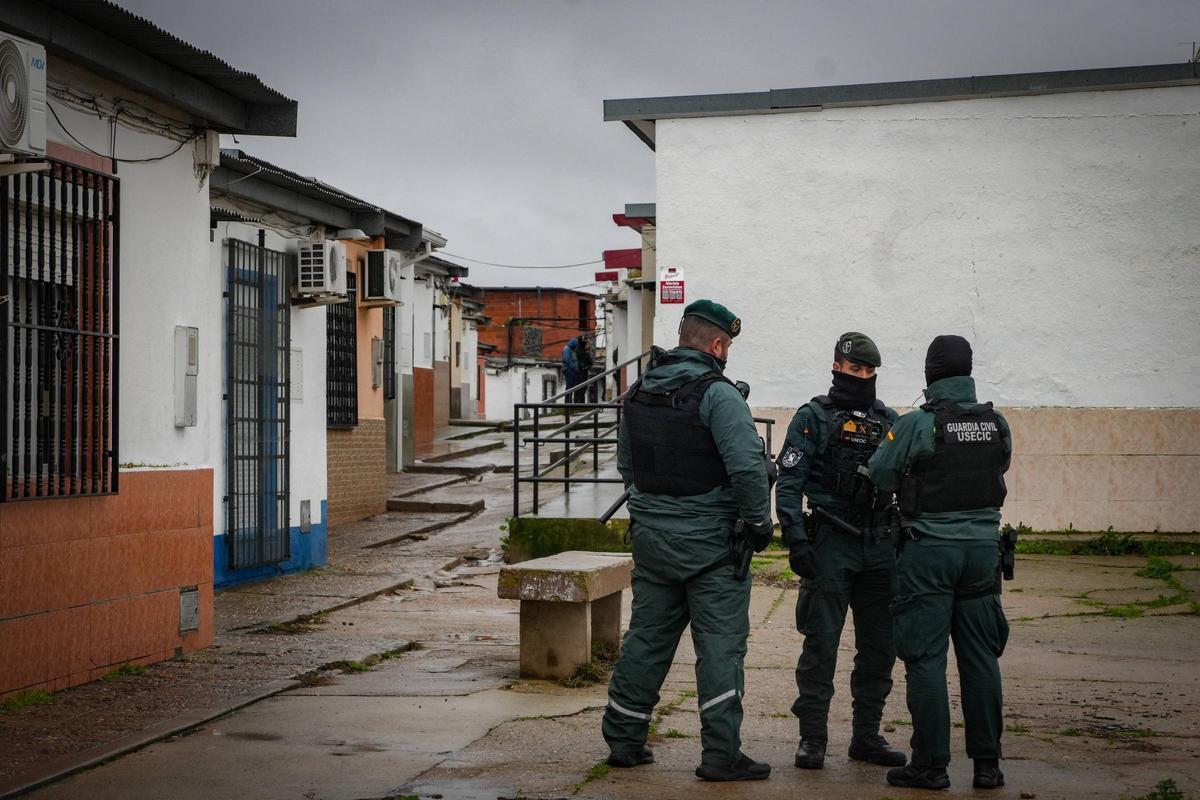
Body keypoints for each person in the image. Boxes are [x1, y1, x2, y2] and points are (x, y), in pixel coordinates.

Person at [602, 299, 775, 782]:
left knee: (646, 641)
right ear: (717, 345)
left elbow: (627, 466)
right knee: (720, 648)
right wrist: (759, 526)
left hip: (653, 542)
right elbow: (747, 469)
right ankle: (721, 755)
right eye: (728, 346)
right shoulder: (719, 396)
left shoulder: (638, 391)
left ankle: (624, 740)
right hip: (713, 549)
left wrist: (653, 514)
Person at [867, 334, 1012, 791]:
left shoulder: (917, 424)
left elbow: (880, 473)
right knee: (981, 659)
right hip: (983, 554)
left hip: (928, 552)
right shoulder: (997, 423)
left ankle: (931, 766)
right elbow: (1000, 468)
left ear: (930, 374)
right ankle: (987, 766)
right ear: (968, 372)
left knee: (926, 658)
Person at [775, 332, 906, 772]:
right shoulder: (813, 417)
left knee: (880, 647)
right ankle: (812, 738)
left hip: (879, 545)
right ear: (837, 367)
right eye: (855, 369)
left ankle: (866, 736)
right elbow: (788, 484)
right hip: (831, 541)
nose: (862, 376)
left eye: (869, 371)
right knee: (821, 644)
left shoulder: (889, 421)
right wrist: (796, 539)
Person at [562, 336, 581, 401]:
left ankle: (570, 401)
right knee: (569, 387)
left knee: (572, 387)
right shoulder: (566, 349)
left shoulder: (571, 350)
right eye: (575, 345)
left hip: (572, 370)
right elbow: (567, 360)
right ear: (572, 344)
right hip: (569, 370)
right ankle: (568, 402)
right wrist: (574, 367)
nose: (575, 347)